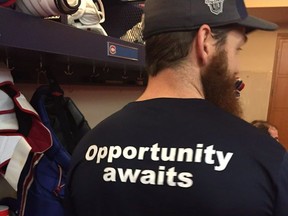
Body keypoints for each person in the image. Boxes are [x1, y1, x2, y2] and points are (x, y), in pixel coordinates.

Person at [64, 0, 288, 216]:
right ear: (205, 42)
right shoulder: (266, 159)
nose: (237, 68)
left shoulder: (88, 149)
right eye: (236, 50)